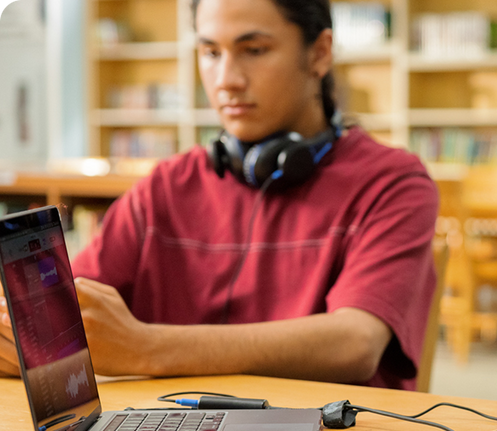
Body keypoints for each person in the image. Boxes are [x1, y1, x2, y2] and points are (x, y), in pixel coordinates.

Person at [0, 0, 438, 391]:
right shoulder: (165, 187)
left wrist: (146, 347)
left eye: (254, 50)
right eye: (210, 52)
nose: (226, 79)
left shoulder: (393, 182)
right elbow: (66, 315)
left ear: (320, 52)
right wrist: (24, 332)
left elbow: (355, 343)